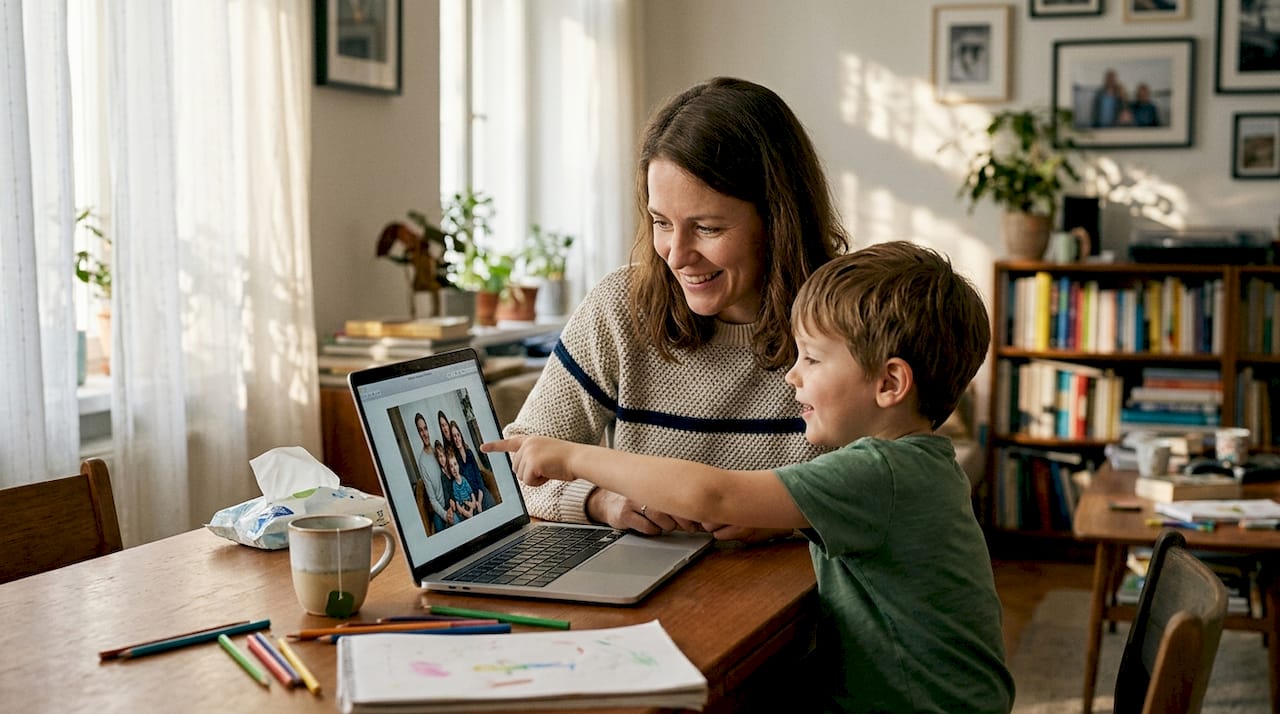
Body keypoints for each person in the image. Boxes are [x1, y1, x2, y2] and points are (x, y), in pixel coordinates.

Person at [486, 242, 1013, 712]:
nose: (793, 375)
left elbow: (714, 493)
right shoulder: (914, 464)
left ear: (890, 382)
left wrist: (573, 458)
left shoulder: (880, 471)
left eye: (811, 358)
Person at [503, 76, 849, 543]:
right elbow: (515, 464)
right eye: (661, 223)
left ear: (777, 219)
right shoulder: (619, 309)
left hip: (794, 599)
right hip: (649, 590)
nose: (676, 254)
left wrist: (786, 515)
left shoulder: (847, 319)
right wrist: (601, 500)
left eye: (706, 228)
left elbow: (885, 490)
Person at [413, 413, 452, 533]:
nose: (424, 433)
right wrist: (445, 515)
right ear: (418, 433)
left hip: (451, 501)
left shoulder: (439, 452)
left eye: (425, 428)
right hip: (439, 509)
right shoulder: (422, 462)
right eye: (420, 430)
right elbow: (432, 499)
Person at [450, 420, 494, 508]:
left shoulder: (469, 452)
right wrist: (474, 502)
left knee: (491, 503)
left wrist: (480, 500)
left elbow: (478, 474)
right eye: (454, 436)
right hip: (469, 496)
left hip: (480, 490)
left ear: (461, 435)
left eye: (458, 435)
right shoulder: (455, 459)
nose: (457, 438)